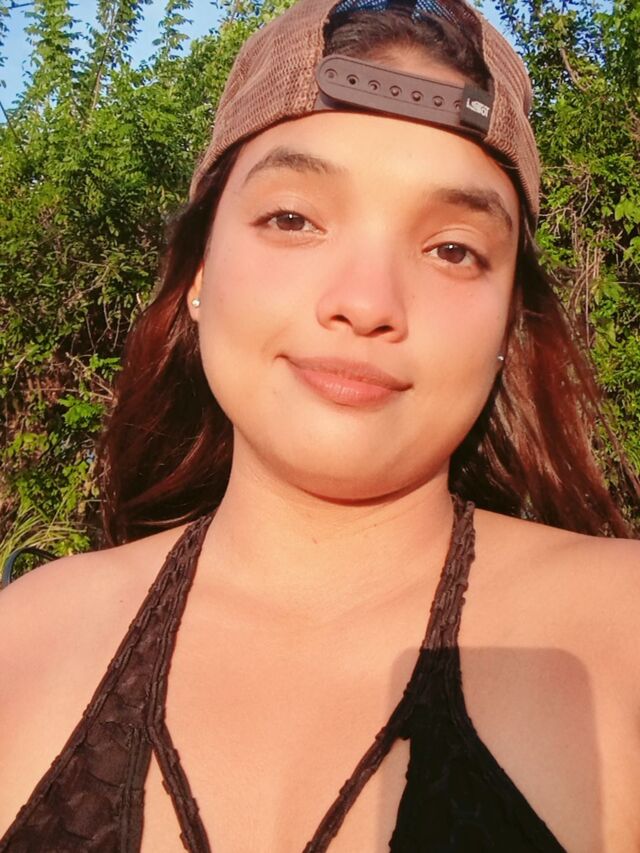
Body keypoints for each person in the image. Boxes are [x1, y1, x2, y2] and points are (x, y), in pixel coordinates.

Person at [0, 0, 638, 850]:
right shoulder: (23, 643)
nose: (366, 302)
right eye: (293, 219)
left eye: (453, 249)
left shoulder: (622, 639)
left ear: (507, 321)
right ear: (198, 272)